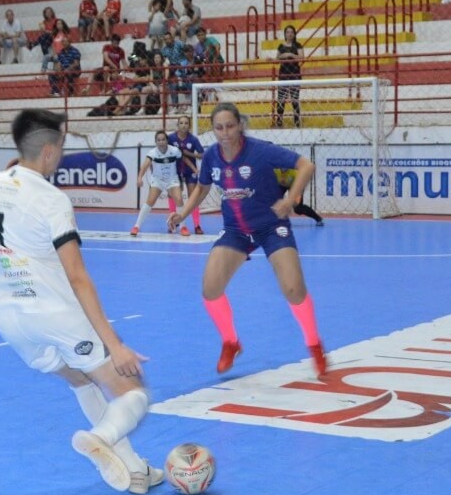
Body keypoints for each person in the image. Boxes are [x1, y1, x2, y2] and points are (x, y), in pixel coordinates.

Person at [0, 108, 163, 494]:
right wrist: (115, 345)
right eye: (61, 146)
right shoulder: (52, 200)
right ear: (48, 151)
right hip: (55, 315)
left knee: (80, 378)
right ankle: (101, 436)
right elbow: (78, 277)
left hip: (10, 321)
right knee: (133, 389)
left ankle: (134, 471)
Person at [169, 102, 328, 376]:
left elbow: (306, 165)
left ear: (240, 125)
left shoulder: (261, 151)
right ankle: (231, 342)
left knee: (293, 289)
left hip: (271, 225)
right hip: (236, 230)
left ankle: (314, 344)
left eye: (230, 126)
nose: (225, 132)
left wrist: (291, 198)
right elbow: (203, 188)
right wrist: (183, 213)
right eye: (219, 127)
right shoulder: (211, 156)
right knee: (210, 287)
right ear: (213, 130)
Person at [131, 131, 188, 236]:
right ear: (156, 142)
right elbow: (145, 166)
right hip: (158, 180)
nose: (161, 142)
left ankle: (183, 227)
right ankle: (136, 226)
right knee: (150, 201)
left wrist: (184, 175)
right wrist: (139, 177)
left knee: (179, 200)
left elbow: (182, 161)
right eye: (159, 140)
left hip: (172, 179)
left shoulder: (175, 151)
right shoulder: (152, 153)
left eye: (163, 139)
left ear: (167, 141)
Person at [168, 114, 205, 235]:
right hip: (174, 170)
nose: (184, 125)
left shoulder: (193, 139)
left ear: (189, 125)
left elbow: (201, 154)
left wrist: (189, 153)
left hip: (190, 171)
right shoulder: (170, 138)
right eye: (181, 123)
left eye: (186, 123)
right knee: (174, 196)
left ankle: (197, 225)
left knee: (193, 197)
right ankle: (173, 222)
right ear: (177, 125)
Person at [274, 25, 303, 128]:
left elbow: (301, 58)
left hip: (294, 73)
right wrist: (282, 56)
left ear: (294, 34)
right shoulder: (281, 46)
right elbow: (277, 59)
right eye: (287, 32)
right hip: (283, 74)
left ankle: (296, 121)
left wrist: (290, 54)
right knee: (281, 99)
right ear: (285, 34)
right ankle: (279, 120)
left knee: (295, 99)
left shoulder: (298, 45)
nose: (289, 34)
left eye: (291, 32)